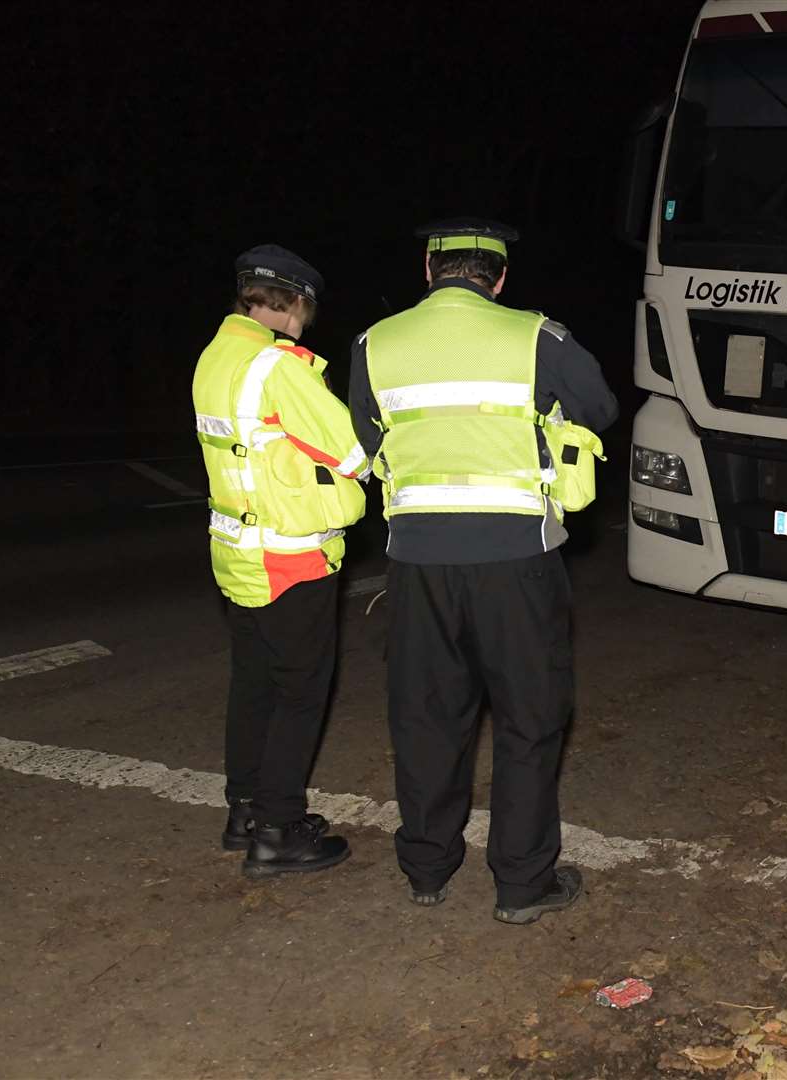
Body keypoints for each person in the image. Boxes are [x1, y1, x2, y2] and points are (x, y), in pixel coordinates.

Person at [349, 218, 618, 923]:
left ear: (428, 273)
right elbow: (601, 406)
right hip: (516, 564)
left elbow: (360, 437)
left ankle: (427, 869)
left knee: (426, 718)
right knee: (530, 721)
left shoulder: (376, 343)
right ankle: (522, 885)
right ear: (499, 279)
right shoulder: (537, 337)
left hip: (416, 566)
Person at [191, 244, 367, 877]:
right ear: (292, 304)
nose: (304, 327)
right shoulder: (277, 366)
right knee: (300, 692)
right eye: (304, 314)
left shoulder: (214, 357)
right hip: (290, 556)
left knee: (255, 683)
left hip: (235, 552)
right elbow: (350, 451)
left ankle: (244, 812)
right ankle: (278, 830)